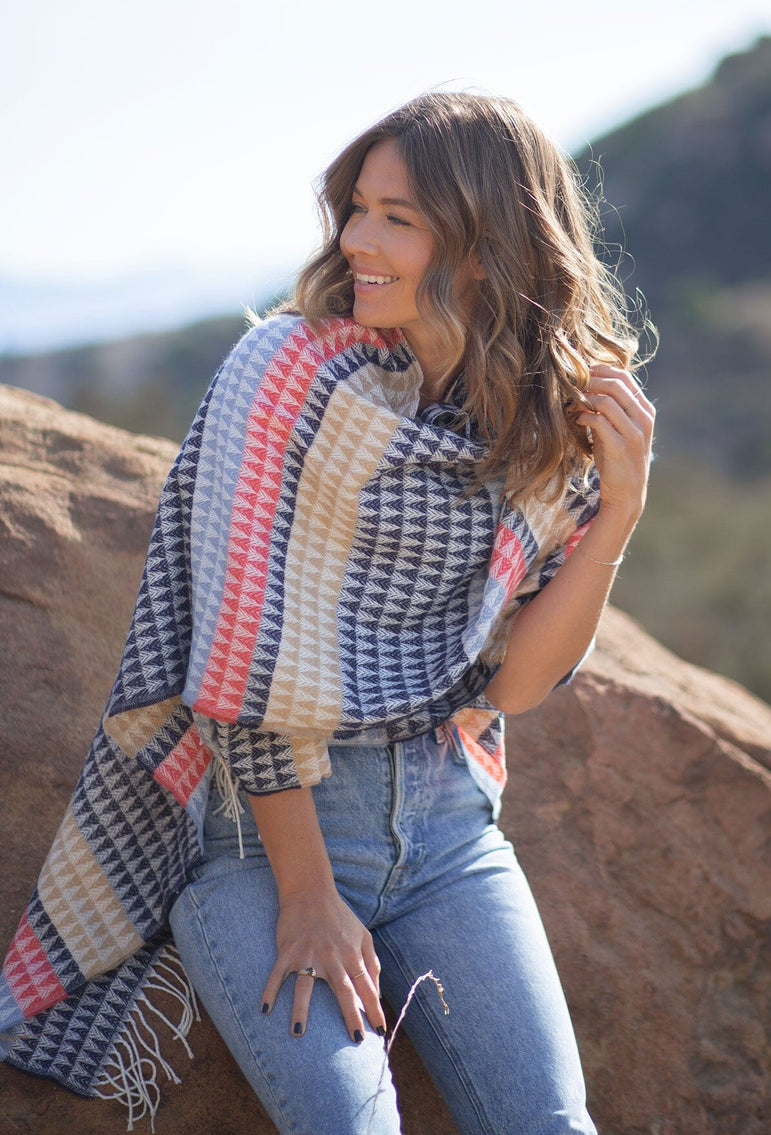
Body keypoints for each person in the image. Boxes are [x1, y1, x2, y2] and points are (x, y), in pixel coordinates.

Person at [1, 92, 654, 1134]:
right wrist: (308, 893)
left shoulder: (541, 420)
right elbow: (240, 668)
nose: (356, 239)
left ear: (485, 247)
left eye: (397, 218)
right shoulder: (285, 376)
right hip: (266, 842)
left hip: (449, 829)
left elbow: (516, 686)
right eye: (356, 208)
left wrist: (618, 506)